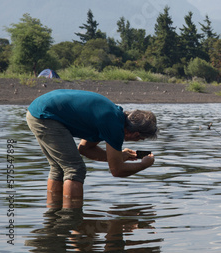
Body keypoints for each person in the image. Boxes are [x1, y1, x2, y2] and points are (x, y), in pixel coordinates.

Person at [26, 89, 158, 209]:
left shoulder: (113, 117)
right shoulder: (113, 126)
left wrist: (119, 156)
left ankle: (54, 212)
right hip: (46, 116)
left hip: (37, 111)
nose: (136, 141)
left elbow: (84, 149)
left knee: (58, 167)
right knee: (75, 169)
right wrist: (144, 164)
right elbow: (117, 171)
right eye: (139, 139)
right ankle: (72, 217)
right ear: (135, 134)